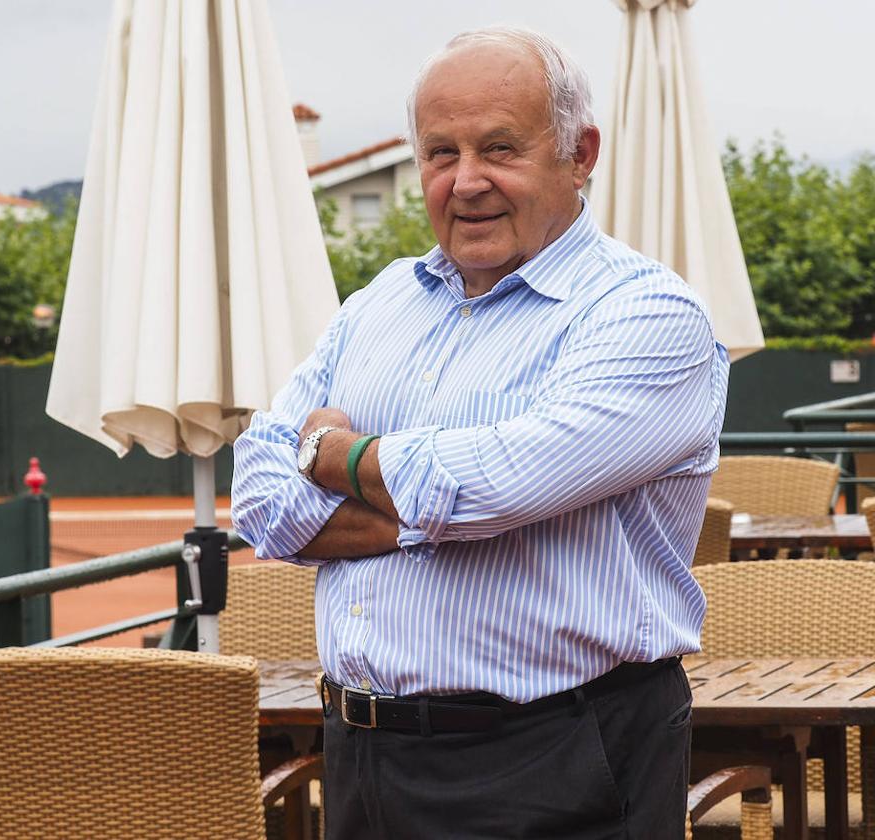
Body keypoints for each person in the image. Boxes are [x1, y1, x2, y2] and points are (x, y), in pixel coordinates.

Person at [231, 25, 729, 839]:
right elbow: (259, 500)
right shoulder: (381, 301)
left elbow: (492, 485)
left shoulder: (647, 315)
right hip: (360, 757)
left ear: (580, 153)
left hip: (558, 761)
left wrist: (329, 454)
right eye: (439, 153)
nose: (466, 183)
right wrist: (434, 505)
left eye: (499, 148)